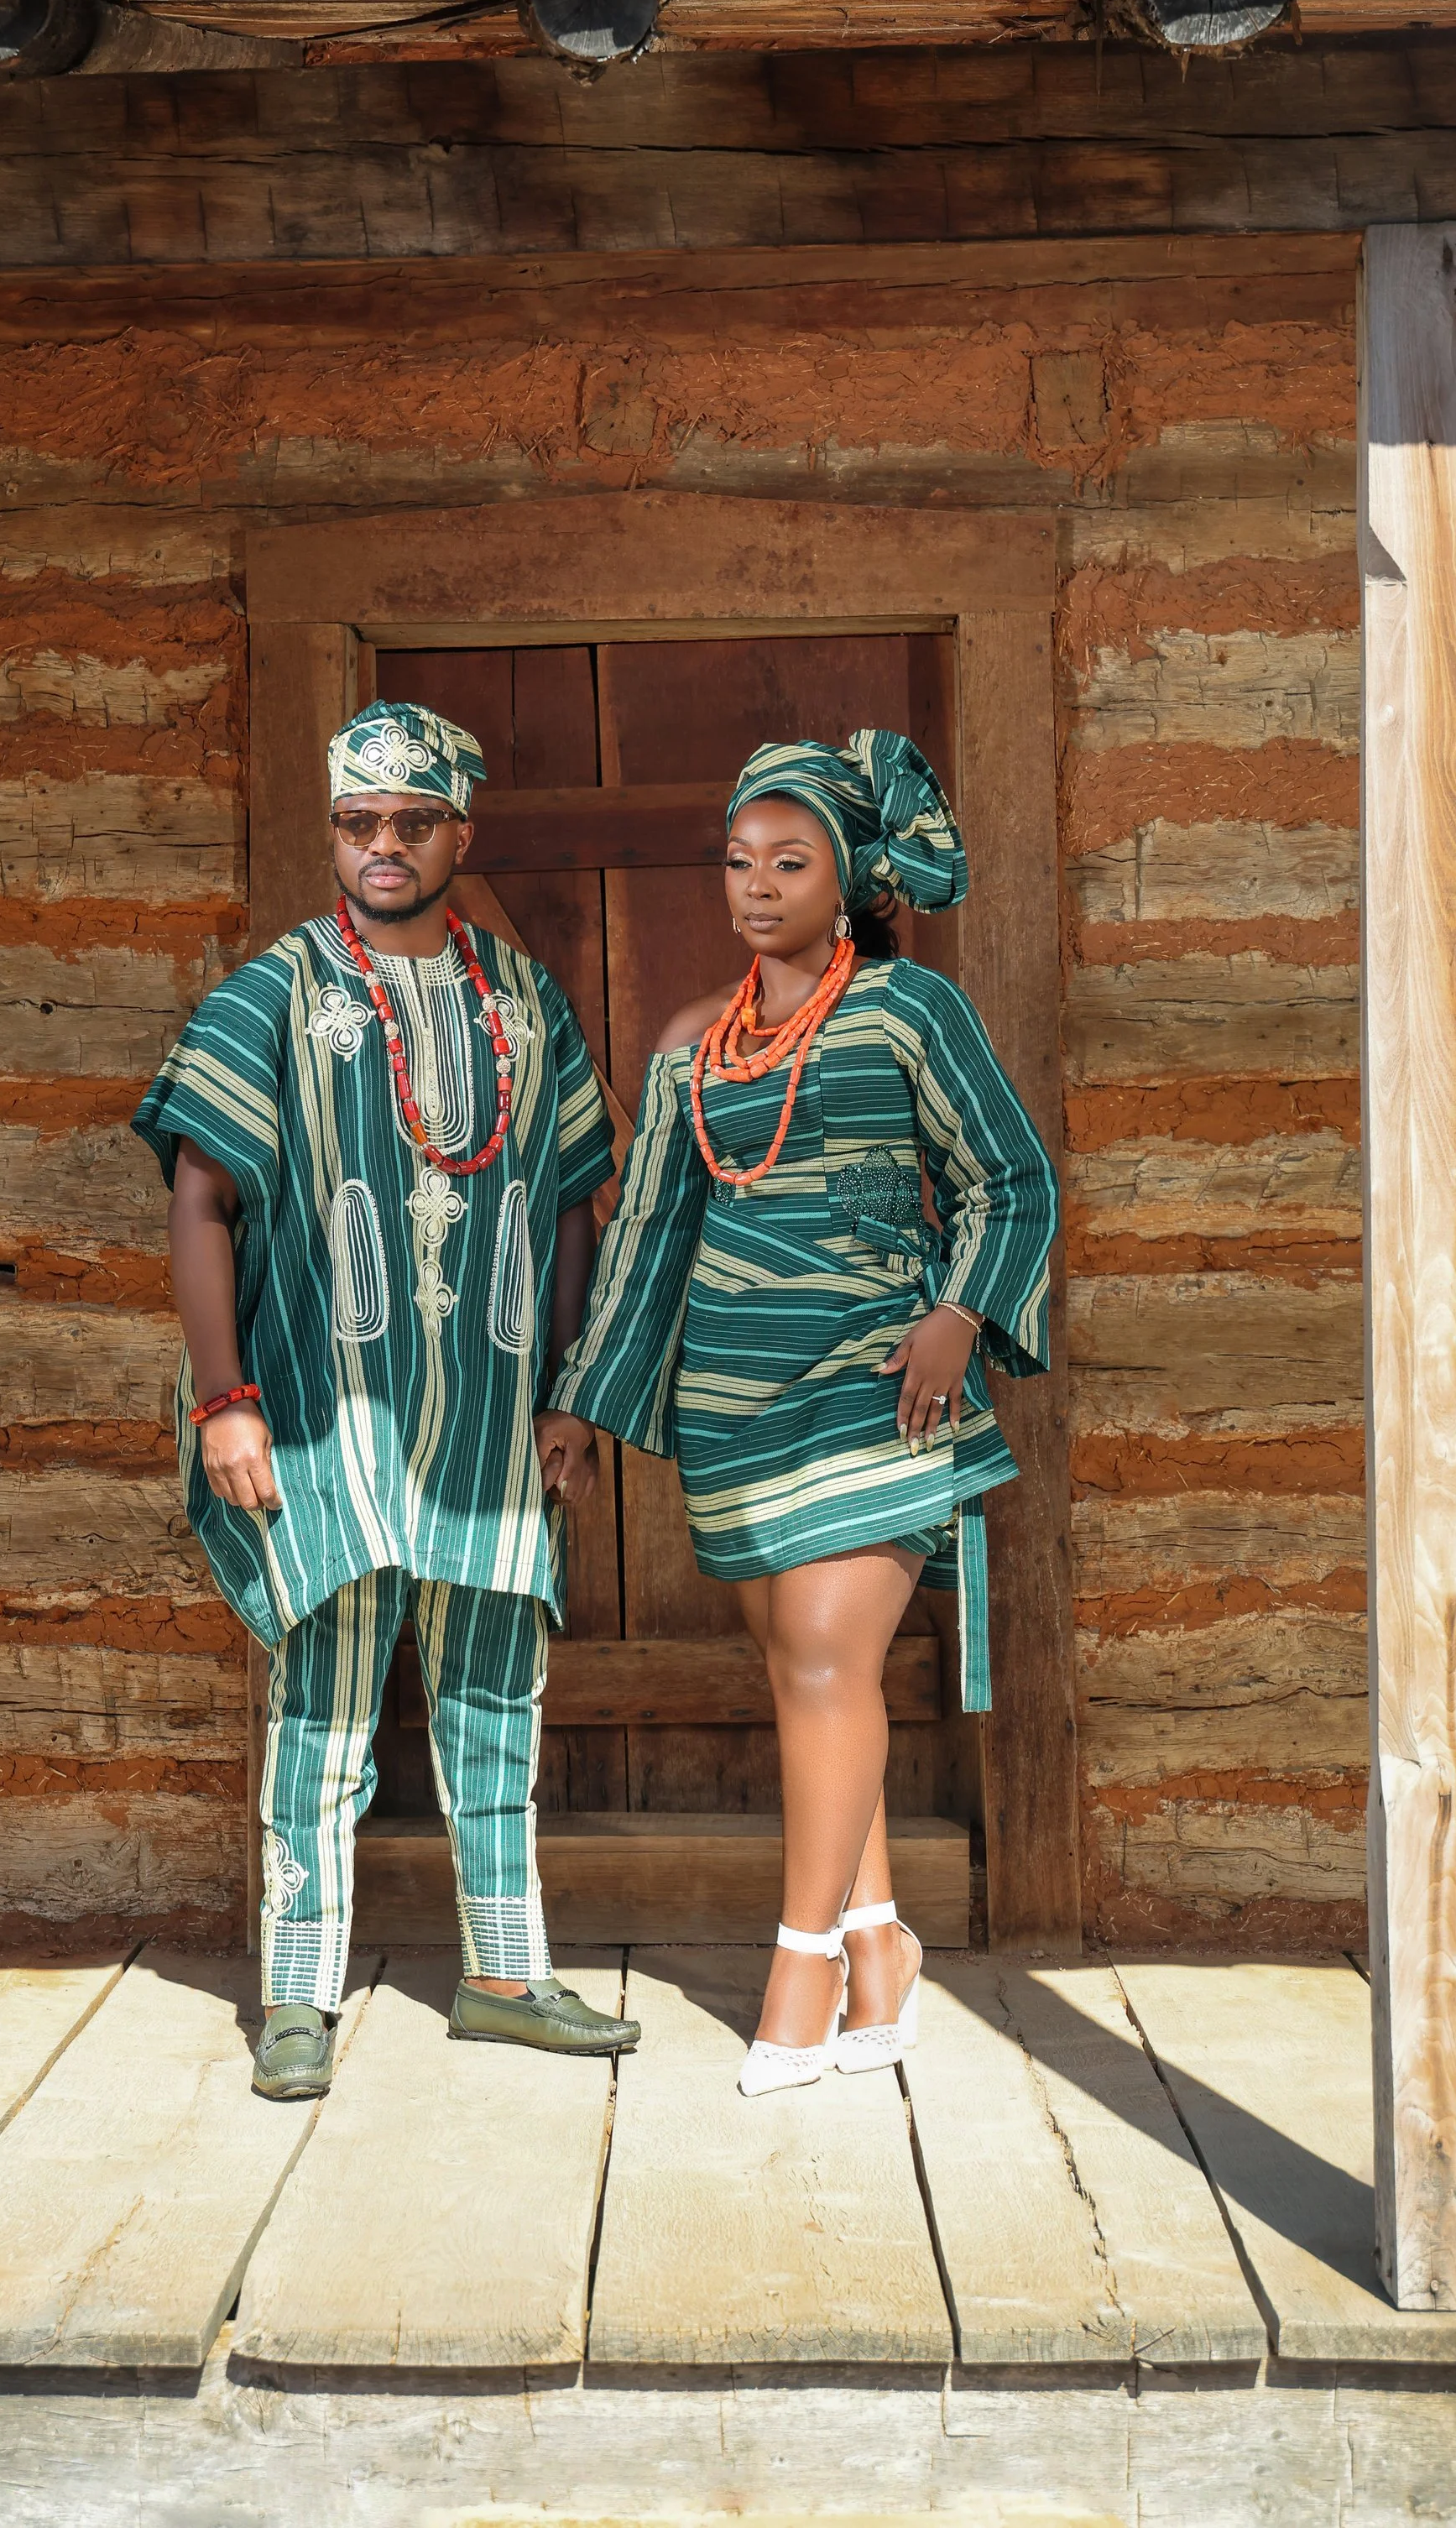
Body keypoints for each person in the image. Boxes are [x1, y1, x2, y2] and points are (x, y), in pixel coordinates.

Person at [134, 697, 641, 2100]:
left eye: (413, 823)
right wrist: (226, 1400)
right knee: (326, 1710)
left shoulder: (522, 998)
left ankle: (503, 1975)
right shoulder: (278, 994)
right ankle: (296, 1997)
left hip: (488, 1424)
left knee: (497, 1702)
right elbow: (202, 1198)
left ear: (458, 832)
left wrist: (571, 1391)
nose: (383, 846)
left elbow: (577, 1200)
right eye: (359, 823)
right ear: (333, 830)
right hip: (326, 1417)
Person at [538, 734, 1056, 2095]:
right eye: (738, 861)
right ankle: (885, 1945)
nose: (756, 888)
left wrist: (961, 1313)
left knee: (828, 1659)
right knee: (809, 1683)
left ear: (849, 881)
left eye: (790, 863)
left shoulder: (910, 1014)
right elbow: (648, 1235)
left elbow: (1012, 1179)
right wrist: (582, 1404)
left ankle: (802, 1969)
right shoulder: (690, 1048)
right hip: (732, 1395)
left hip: (878, 1381)